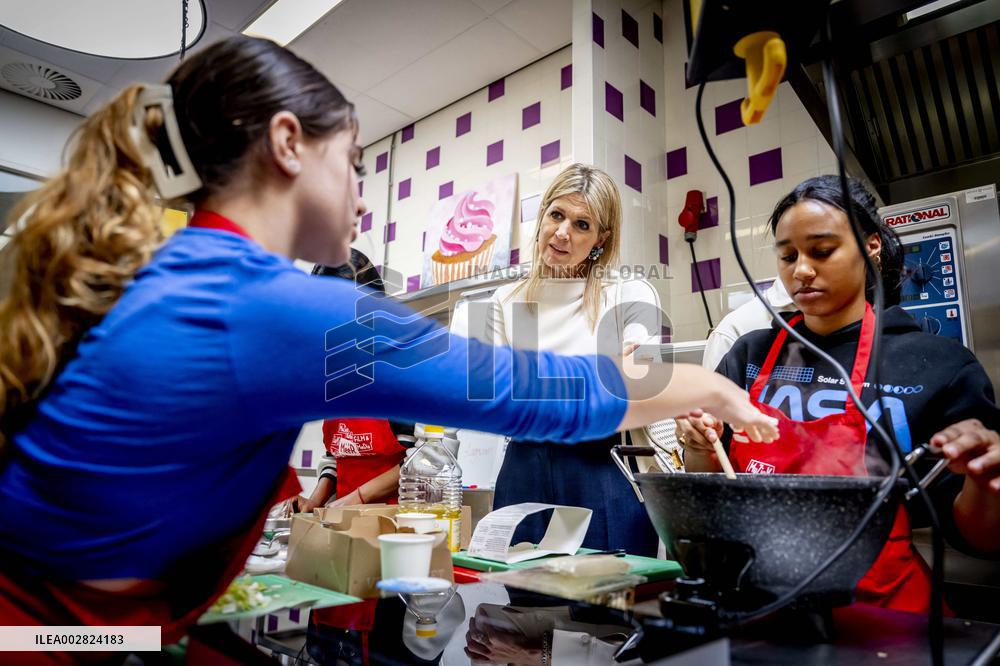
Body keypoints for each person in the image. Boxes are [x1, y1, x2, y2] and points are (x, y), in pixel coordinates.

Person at [0, 35, 777, 647]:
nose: (362, 197)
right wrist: (717, 388)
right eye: (355, 162)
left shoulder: (182, 274)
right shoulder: (280, 308)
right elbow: (541, 391)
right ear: (287, 143)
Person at [677, 175, 1000, 613]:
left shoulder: (939, 365)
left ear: (870, 246)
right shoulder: (749, 354)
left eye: (822, 251)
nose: (801, 270)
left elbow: (981, 538)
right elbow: (711, 484)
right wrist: (699, 444)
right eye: (788, 256)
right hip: (756, 603)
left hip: (880, 615)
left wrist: (986, 482)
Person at [454, 163, 663, 556]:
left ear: (602, 237)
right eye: (557, 215)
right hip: (523, 469)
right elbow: (482, 394)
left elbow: (640, 385)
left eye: (582, 225)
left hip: (603, 469)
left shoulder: (629, 293)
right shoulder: (508, 300)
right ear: (543, 216)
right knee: (523, 604)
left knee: (607, 607)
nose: (563, 233)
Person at [293, 250, 410, 512]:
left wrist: (358, 498)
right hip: (345, 520)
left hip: (397, 521)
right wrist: (314, 503)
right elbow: (338, 455)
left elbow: (422, 460)